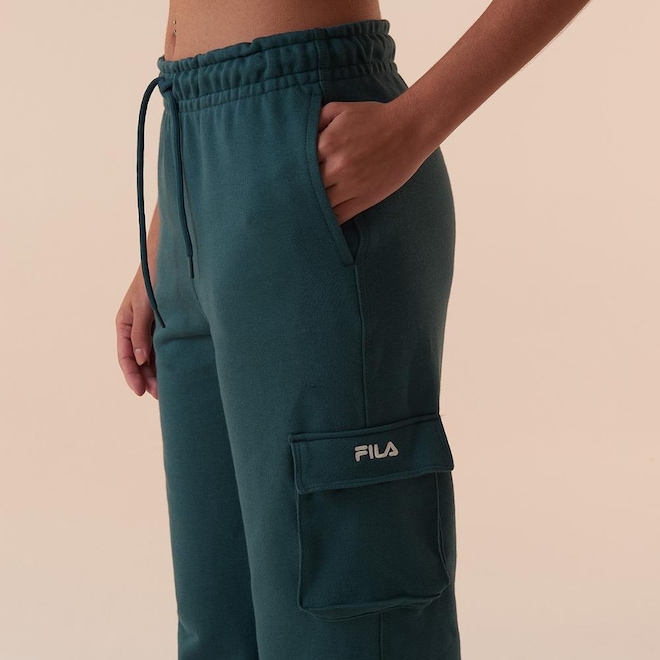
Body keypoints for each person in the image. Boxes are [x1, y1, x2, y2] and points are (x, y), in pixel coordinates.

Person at [116, 2, 591, 658]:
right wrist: (174, 227)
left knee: (342, 633)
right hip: (191, 171)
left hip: (320, 160)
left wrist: (414, 126)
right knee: (219, 633)